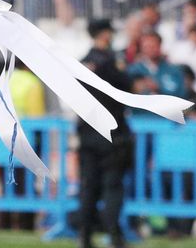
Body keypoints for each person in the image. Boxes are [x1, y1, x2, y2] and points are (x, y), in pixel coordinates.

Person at [78, 19, 133, 248]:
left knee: (89, 186)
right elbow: (126, 87)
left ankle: (85, 236)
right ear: (104, 34)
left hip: (87, 133)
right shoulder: (111, 62)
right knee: (113, 186)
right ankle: (114, 235)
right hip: (112, 133)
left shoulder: (81, 63)